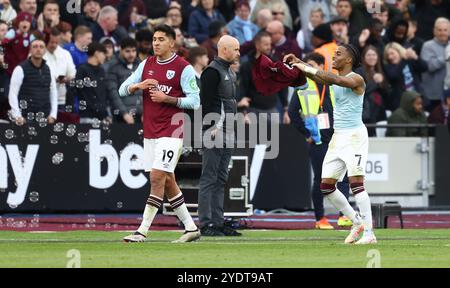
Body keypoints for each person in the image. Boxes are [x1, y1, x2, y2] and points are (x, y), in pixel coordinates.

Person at [285, 43, 377, 244]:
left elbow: (333, 78)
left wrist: (305, 66)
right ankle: (356, 222)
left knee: (356, 184)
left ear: (349, 60)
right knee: (326, 186)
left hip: (354, 137)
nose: (333, 57)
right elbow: (319, 77)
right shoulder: (335, 79)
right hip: (338, 137)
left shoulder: (356, 78)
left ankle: (370, 234)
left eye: (338, 54)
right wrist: (299, 63)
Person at [119, 24, 201, 243]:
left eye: (161, 39)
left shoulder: (183, 68)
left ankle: (142, 231)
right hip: (151, 132)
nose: (156, 42)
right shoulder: (146, 64)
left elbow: (195, 100)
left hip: (173, 131)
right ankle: (191, 228)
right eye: (154, 39)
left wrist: (169, 99)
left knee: (156, 176)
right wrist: (139, 85)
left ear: (172, 42)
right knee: (166, 181)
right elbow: (122, 89)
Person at [288, 52, 352, 229]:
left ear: (321, 67)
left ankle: (344, 215)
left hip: (338, 138)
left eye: (311, 65)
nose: (308, 69)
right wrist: (306, 133)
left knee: (345, 178)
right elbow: (292, 113)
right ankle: (320, 219)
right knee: (321, 180)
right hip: (318, 141)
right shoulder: (303, 87)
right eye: (306, 65)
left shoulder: (332, 84)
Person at [198, 35, 241, 237]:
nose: (238, 53)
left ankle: (217, 221)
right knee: (209, 178)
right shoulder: (212, 72)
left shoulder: (228, 71)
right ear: (224, 50)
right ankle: (206, 223)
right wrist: (211, 126)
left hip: (229, 130)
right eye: (236, 49)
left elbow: (230, 102)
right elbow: (206, 102)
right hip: (215, 131)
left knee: (221, 178)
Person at [9, 38, 57, 125]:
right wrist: (17, 116)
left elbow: (53, 92)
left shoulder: (48, 69)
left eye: (41, 47)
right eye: (35, 47)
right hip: (25, 118)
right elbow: (12, 93)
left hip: (45, 118)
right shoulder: (20, 69)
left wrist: (53, 115)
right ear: (30, 50)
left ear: (45, 50)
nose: (38, 49)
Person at [106, 37, 142, 124]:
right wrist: (124, 113)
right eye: (127, 51)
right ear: (121, 50)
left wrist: (145, 112)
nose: (131, 54)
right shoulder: (113, 67)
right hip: (121, 118)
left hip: (140, 117)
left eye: (133, 51)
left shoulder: (140, 66)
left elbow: (145, 91)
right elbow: (113, 93)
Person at [43, 27, 76, 111]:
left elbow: (72, 74)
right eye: (51, 42)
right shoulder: (39, 53)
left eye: (56, 42)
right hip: (43, 99)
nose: (54, 45)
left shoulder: (65, 54)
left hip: (61, 100)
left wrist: (66, 79)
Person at [420, 18, 450, 111]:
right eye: (439, 30)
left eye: (445, 30)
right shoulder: (427, 46)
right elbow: (429, 66)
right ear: (434, 31)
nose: (442, 33)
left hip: (448, 93)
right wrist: (446, 57)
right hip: (433, 95)